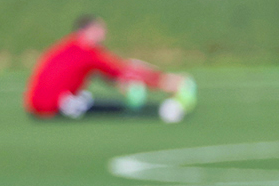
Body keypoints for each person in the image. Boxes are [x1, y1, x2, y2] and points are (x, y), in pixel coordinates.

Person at [25, 16, 193, 122]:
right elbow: (122, 73)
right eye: (100, 30)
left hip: (35, 106)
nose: (104, 34)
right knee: (109, 108)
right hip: (52, 108)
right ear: (89, 31)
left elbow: (112, 76)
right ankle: (160, 111)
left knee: (88, 99)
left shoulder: (68, 46)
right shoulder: (87, 52)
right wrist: (163, 80)